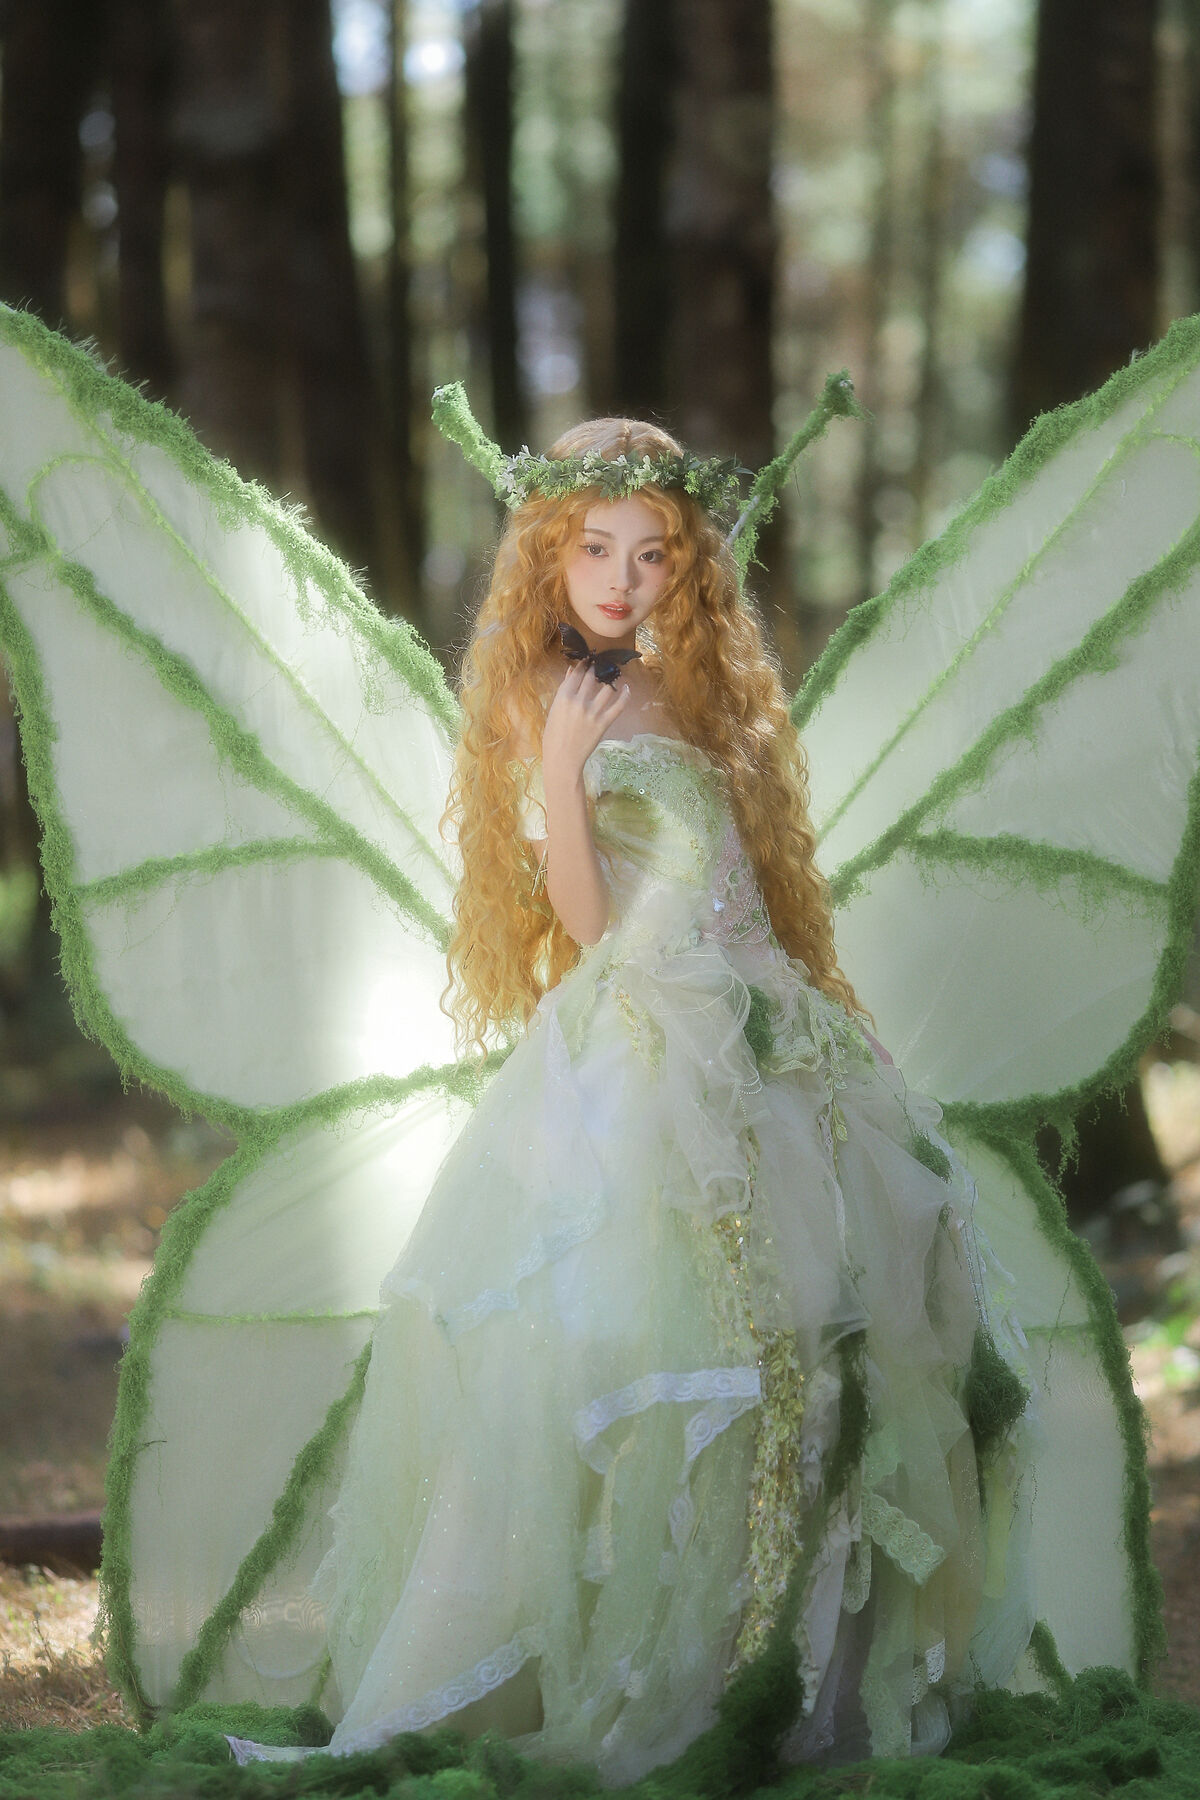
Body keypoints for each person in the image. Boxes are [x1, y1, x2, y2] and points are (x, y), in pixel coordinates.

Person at [232, 415, 1037, 1779]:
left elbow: (752, 892)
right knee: (640, 1333)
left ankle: (778, 1671)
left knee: (824, 1321)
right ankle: (636, 1661)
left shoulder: (696, 690)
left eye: (652, 553)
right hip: (649, 1042)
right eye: (593, 549)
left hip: (769, 1034)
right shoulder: (546, 693)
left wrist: (837, 1025)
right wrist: (559, 766)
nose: (620, 579)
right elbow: (591, 921)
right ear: (549, 555)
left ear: (688, 568)